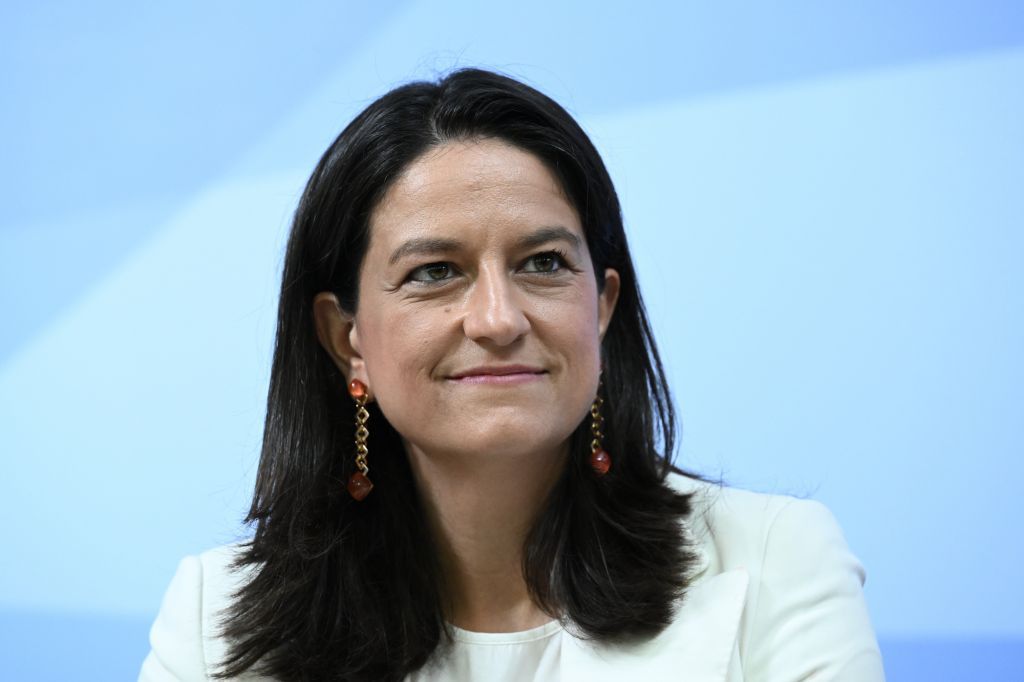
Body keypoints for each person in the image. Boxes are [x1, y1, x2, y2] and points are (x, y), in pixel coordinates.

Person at [139, 68, 884, 681]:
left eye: (543, 263)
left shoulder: (775, 561)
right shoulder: (214, 623)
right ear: (347, 339)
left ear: (601, 307)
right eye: (435, 271)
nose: (498, 319)